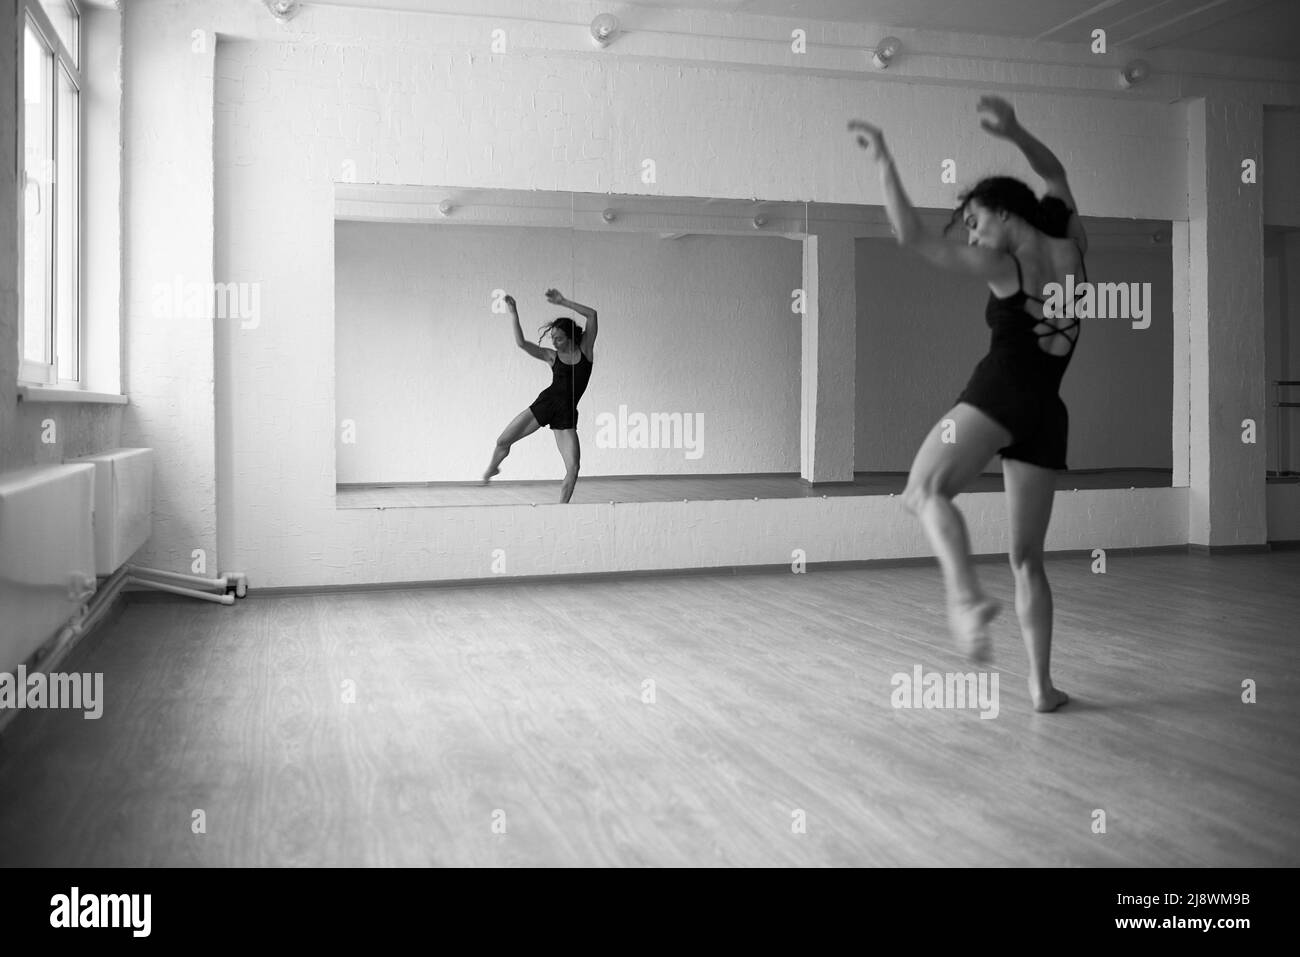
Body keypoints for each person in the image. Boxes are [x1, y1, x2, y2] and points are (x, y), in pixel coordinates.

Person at [848, 96, 1088, 713]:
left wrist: (884, 161)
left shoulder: (1007, 264)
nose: (974, 234)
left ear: (1005, 215)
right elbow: (1056, 176)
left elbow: (911, 237)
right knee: (1027, 558)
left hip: (998, 393)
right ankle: (1041, 687)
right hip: (1046, 412)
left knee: (923, 491)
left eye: (977, 221)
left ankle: (964, 599)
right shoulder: (1072, 243)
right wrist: (1015, 131)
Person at [483, 289, 597, 504]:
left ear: (571, 337)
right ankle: (492, 468)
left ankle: (561, 508)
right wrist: (514, 312)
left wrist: (563, 301)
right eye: (552, 338)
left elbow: (592, 315)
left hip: (566, 415)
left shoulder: (586, 351)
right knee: (502, 441)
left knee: (573, 468)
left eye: (559, 338)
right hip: (545, 405)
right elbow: (522, 344)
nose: (554, 342)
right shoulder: (552, 356)